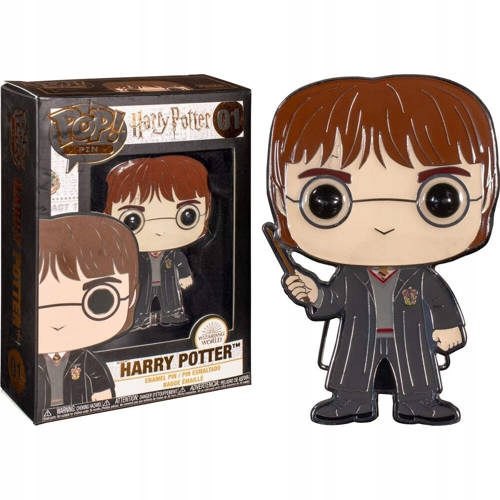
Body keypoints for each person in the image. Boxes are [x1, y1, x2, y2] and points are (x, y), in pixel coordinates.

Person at [266, 75, 498, 425]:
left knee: (416, 374)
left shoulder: (422, 277)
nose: (384, 224)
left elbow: (440, 301)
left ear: (487, 191)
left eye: (441, 198)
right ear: (282, 196)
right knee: (353, 372)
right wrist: (314, 293)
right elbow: (333, 301)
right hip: (360, 338)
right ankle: (351, 400)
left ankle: (419, 402)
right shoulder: (349, 276)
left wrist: (449, 325)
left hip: (412, 339)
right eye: (326, 199)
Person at [38, 214, 139, 409]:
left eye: (99, 299)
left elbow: (97, 376)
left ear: (131, 297)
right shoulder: (34, 359)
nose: (58, 322)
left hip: (77, 405)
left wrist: (102, 393)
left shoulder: (82, 357)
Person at [105, 155, 211, 329]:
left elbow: (180, 260)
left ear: (206, 210)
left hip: (167, 281)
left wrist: (185, 275)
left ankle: (172, 313)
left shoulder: (173, 253)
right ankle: (139, 317)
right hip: (143, 282)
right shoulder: (136, 256)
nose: (159, 231)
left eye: (187, 215)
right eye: (133, 220)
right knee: (140, 301)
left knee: (171, 298)